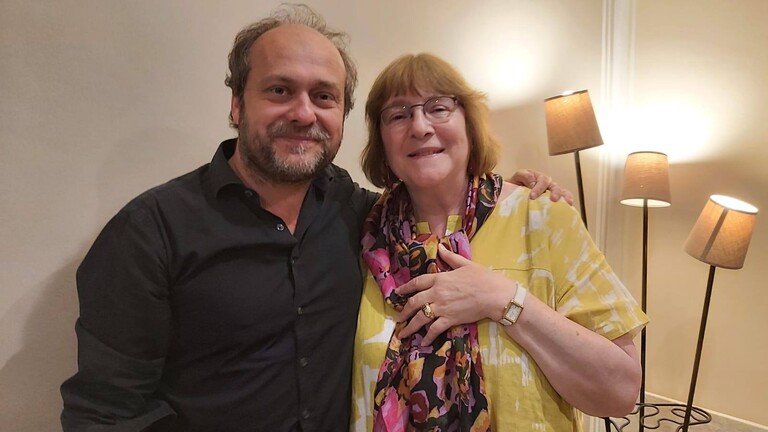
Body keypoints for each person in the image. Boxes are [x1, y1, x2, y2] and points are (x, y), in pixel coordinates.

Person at [59, 5, 569, 432]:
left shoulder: (366, 217)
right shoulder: (151, 232)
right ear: (236, 104)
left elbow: (436, 204)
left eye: (323, 96)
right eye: (279, 90)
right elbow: (107, 413)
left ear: (341, 114)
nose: (304, 113)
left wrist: (509, 193)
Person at [351, 53, 649, 432]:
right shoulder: (366, 234)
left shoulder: (543, 217)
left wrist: (505, 300)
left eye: (438, 108)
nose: (420, 126)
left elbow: (620, 392)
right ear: (381, 139)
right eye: (398, 115)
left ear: (469, 123)